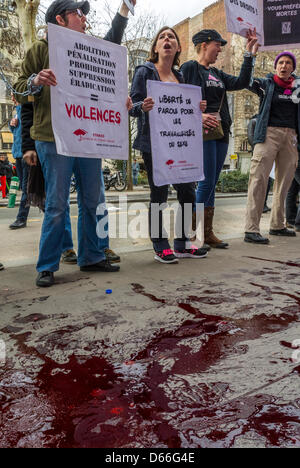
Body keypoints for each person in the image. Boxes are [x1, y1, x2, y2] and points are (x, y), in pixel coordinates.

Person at [14, 0, 136, 286]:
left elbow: (107, 75)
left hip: (91, 136)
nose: (84, 18)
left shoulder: (88, 49)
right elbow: (18, 90)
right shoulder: (40, 50)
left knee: (94, 200)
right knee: (57, 204)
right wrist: (35, 80)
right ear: (60, 18)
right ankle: (47, 265)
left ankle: (92, 256)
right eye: (78, 13)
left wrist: (120, 102)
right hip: (53, 136)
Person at [130, 26, 208, 264]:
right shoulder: (145, 71)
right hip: (153, 143)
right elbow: (132, 105)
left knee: (187, 191)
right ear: (156, 47)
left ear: (177, 48)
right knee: (159, 192)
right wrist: (142, 105)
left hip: (180, 144)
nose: (167, 40)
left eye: (171, 37)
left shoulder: (181, 77)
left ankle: (183, 243)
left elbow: (183, 111)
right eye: (162, 37)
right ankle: (159, 244)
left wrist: (198, 110)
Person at [181, 29, 258, 249]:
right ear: (204, 45)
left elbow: (243, 81)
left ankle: (207, 232)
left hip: (221, 131)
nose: (220, 49)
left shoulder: (218, 73)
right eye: (217, 44)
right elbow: (180, 98)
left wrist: (249, 54)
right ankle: (193, 235)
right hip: (201, 132)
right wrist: (198, 115)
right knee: (205, 182)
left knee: (212, 183)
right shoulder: (190, 68)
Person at [244, 52, 300, 244]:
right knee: (258, 180)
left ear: (293, 67)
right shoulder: (266, 84)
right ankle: (251, 229)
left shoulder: (298, 87)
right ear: (276, 66)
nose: (284, 66)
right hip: (268, 134)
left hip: (291, 136)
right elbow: (246, 80)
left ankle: (278, 225)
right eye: (281, 63)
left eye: (288, 63)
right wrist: (249, 57)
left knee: (285, 183)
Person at [22, 102, 78, 265]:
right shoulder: (36, 81)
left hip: (79, 136)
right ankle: (60, 251)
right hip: (50, 139)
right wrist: (28, 146)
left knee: (84, 200)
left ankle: (77, 250)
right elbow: (28, 108)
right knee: (58, 202)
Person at [9, 95, 30, 229]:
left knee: (27, 188)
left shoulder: (24, 110)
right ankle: (49, 211)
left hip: (25, 154)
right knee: (26, 188)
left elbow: (25, 131)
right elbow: (17, 133)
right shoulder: (17, 112)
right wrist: (12, 126)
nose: (12, 98)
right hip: (18, 154)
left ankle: (21, 218)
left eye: (13, 96)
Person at [286, 152, 300, 231]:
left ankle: (291, 220)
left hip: (293, 158)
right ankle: (298, 223)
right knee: (292, 191)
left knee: (292, 190)